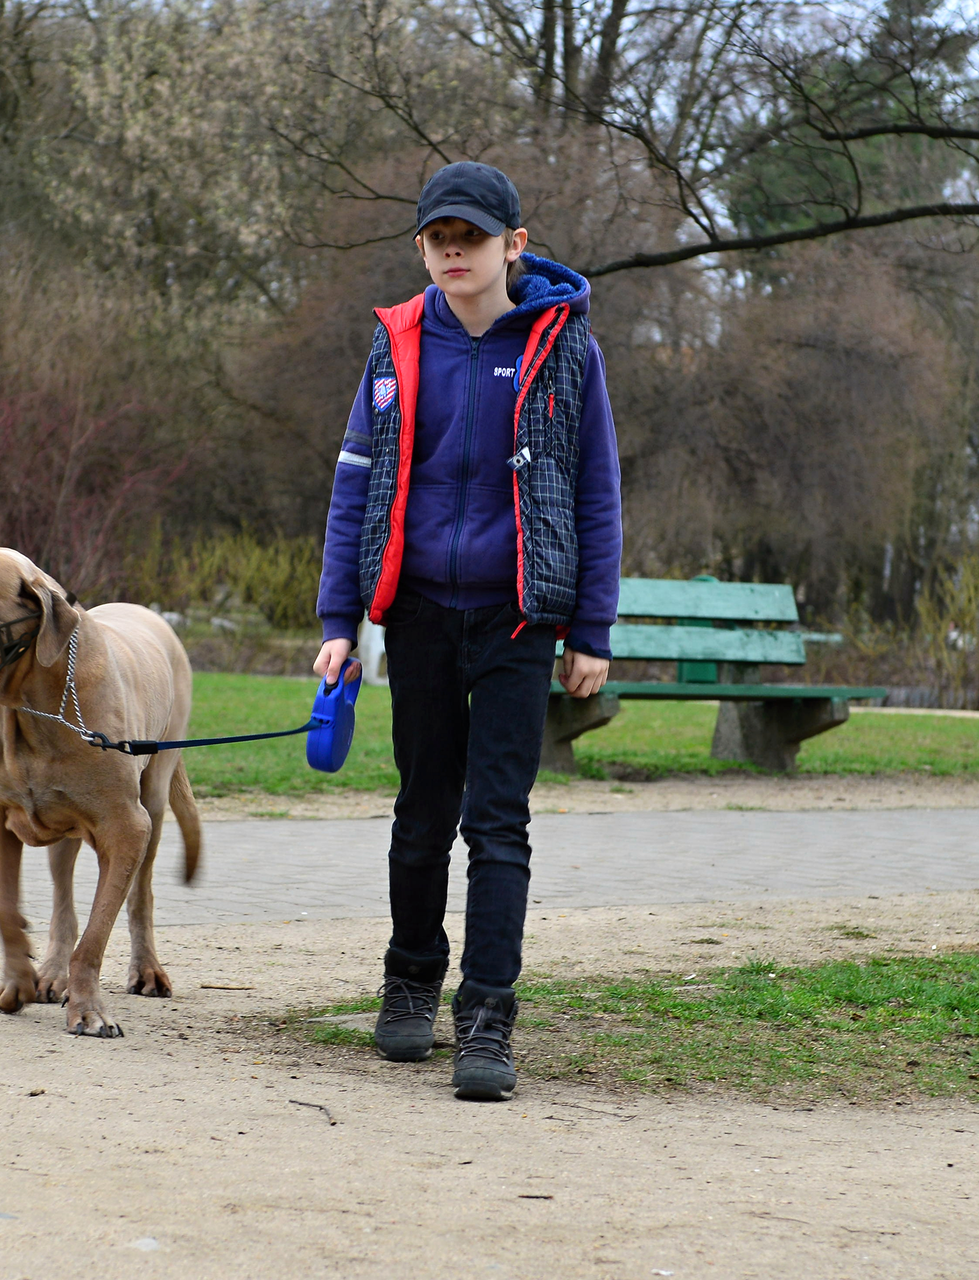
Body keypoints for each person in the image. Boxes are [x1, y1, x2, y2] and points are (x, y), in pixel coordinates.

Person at [314, 161, 622, 1102]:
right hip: (417, 616)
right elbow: (353, 487)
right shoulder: (395, 345)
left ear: (513, 246)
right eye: (439, 238)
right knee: (421, 814)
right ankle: (408, 985)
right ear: (422, 248)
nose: (455, 252)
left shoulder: (567, 349)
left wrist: (592, 630)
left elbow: (596, 492)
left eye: (473, 238)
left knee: (498, 822)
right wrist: (338, 620)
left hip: (519, 616)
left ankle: (486, 1016)